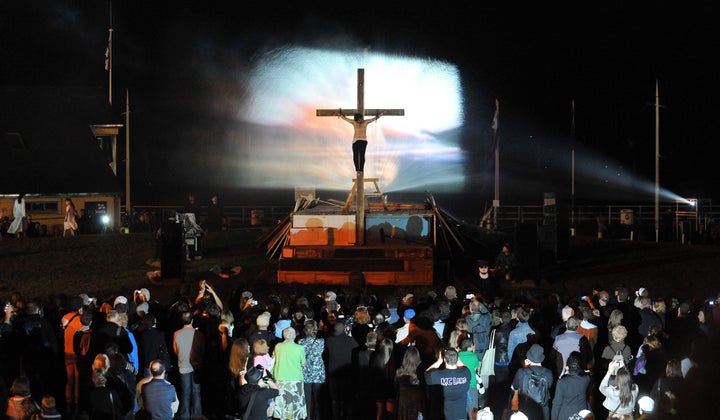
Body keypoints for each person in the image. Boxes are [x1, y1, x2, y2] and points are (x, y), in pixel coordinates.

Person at [424, 347, 471, 420]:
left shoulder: (436, 375)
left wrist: (439, 361)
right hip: (461, 416)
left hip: (443, 416)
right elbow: (463, 366)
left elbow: (426, 373)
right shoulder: (466, 373)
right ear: (457, 359)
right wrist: (456, 356)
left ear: (444, 359)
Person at [270, 327, 306, 419]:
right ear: (294, 336)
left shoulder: (278, 346)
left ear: (284, 336)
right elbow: (303, 364)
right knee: (295, 403)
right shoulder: (300, 348)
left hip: (280, 377)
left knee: (281, 402)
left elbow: (273, 359)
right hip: (295, 378)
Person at [335, 109, 384, 175]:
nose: (359, 121)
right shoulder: (354, 122)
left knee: (362, 155)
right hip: (355, 140)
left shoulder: (366, 122)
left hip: (363, 140)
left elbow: (374, 118)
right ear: (356, 119)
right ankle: (357, 170)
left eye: (360, 119)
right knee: (355, 156)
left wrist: (381, 114)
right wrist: (340, 114)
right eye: (358, 120)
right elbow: (345, 119)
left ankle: (361, 170)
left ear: (361, 118)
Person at [511, 343, 553, 420]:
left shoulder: (521, 372)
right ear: (541, 358)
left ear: (528, 357)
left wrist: (525, 366)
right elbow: (549, 386)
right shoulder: (549, 373)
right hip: (543, 410)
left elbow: (514, 387)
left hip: (526, 409)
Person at [551, 351, 591, 420]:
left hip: (565, 415)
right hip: (581, 414)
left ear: (567, 367)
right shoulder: (586, 379)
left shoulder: (562, 382)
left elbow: (557, 404)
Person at [298, 320, 325, 420]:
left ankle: (307, 417)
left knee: (306, 398)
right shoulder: (321, 341)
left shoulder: (300, 342)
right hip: (318, 372)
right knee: (318, 399)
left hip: (305, 372)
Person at [394, 346, 425, 420]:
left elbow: (395, 387)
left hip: (403, 405)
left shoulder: (399, 372)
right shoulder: (421, 372)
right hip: (417, 405)